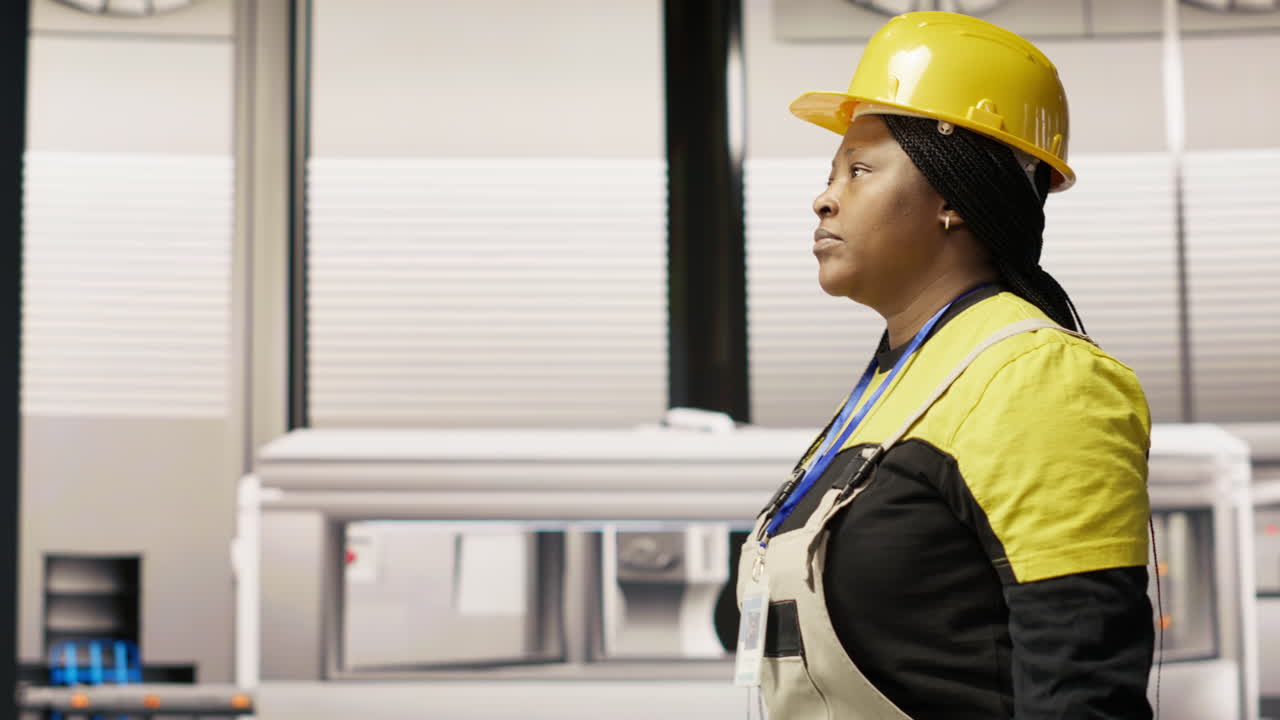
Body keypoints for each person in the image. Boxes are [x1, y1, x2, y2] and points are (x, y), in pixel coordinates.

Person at [735, 11, 1155, 720]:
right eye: (831, 172)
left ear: (954, 197)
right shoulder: (903, 377)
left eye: (860, 169)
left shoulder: (1038, 380)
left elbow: (1081, 693)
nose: (824, 196)